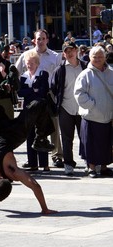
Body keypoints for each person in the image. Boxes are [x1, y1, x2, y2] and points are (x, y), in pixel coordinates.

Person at [0, 94, 57, 214]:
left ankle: (7, 88)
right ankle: (41, 139)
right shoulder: (11, 172)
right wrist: (44, 209)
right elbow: (35, 185)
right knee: (39, 104)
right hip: (14, 133)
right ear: (1, 179)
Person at [15, 28, 64, 169]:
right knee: (31, 130)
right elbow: (16, 72)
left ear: (47, 40)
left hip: (49, 94)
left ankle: (57, 156)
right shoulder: (26, 55)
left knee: (52, 126)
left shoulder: (55, 56)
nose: (41, 41)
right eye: (38, 39)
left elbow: (61, 75)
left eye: (43, 38)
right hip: (30, 98)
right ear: (33, 41)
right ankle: (33, 160)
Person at [74, 46, 113, 178]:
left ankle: (104, 167)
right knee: (90, 144)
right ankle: (91, 167)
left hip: (107, 116)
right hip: (91, 116)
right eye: (94, 57)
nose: (97, 59)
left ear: (105, 57)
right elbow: (79, 94)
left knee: (105, 144)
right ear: (90, 58)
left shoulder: (111, 72)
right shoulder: (85, 74)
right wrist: (92, 105)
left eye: (100, 56)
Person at [51, 41, 87, 175]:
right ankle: (68, 164)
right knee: (67, 138)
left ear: (76, 50)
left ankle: (89, 162)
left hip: (83, 108)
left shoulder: (85, 66)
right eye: (66, 51)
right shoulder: (60, 69)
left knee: (85, 137)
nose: (69, 53)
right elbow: (53, 89)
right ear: (63, 53)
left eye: (71, 50)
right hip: (65, 108)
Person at [18, 51, 54, 171]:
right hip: (28, 110)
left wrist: (30, 91)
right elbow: (20, 92)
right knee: (29, 135)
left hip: (41, 109)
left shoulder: (43, 74)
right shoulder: (23, 77)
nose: (30, 65)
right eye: (28, 63)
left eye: (32, 63)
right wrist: (32, 90)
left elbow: (43, 90)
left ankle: (44, 164)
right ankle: (33, 163)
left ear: (37, 63)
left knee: (41, 135)